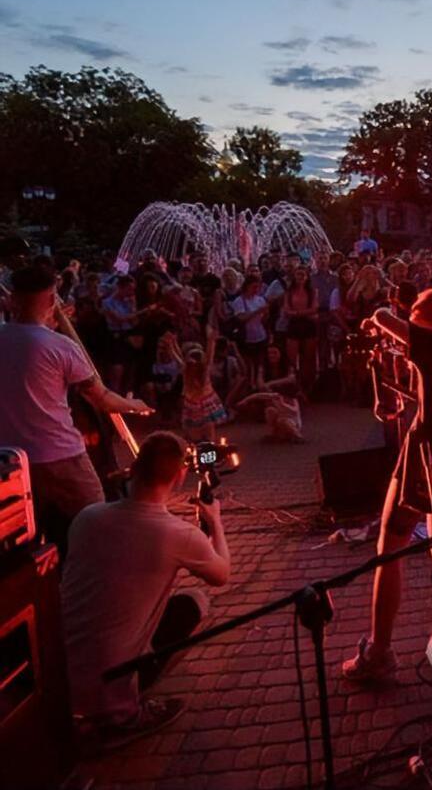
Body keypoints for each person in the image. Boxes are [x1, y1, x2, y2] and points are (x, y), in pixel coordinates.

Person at [342, 290, 432, 682]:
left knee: (389, 548)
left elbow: (380, 315)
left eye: (418, 322)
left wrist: (380, 322)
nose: (413, 331)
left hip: (424, 457)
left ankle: (380, 652)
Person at [61, 431, 230, 750]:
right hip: (109, 688)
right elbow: (222, 574)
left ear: (134, 468)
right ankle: (125, 714)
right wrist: (215, 523)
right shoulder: (176, 534)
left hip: (58, 681)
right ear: (180, 476)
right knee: (197, 601)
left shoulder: (87, 517)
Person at [0, 267, 152, 550]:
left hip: (12, 460)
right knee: (96, 529)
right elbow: (102, 398)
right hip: (61, 456)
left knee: (29, 541)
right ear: (51, 299)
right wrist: (135, 405)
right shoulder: (60, 346)